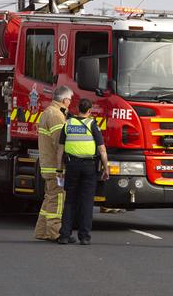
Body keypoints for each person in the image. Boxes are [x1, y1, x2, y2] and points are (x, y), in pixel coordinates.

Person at [56, 98, 110, 245]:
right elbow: (102, 149)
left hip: (71, 165)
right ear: (90, 110)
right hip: (89, 167)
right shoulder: (92, 124)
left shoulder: (68, 124)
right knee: (86, 202)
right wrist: (106, 168)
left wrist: (59, 169)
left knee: (70, 201)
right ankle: (84, 236)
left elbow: (60, 149)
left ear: (78, 109)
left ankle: (65, 235)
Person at [34, 85, 72, 241]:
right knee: (57, 199)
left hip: (47, 163)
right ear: (65, 100)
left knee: (49, 197)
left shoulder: (48, 112)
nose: (70, 102)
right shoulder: (56, 115)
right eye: (70, 99)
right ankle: (55, 232)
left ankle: (42, 231)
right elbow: (59, 142)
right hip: (54, 165)